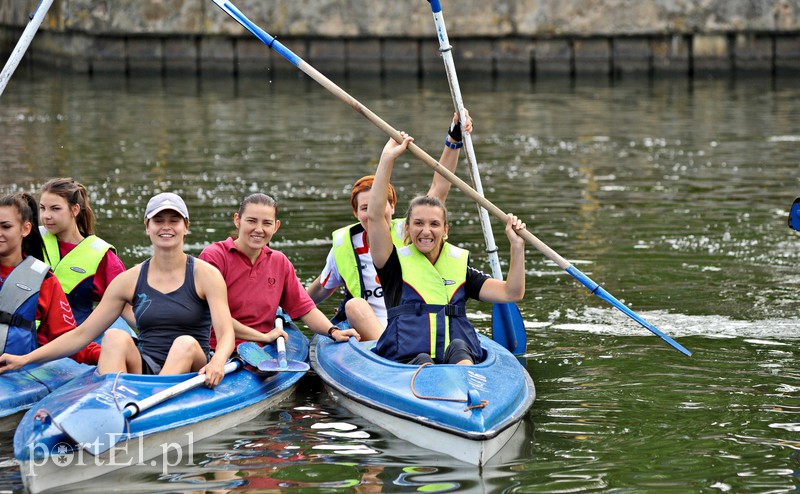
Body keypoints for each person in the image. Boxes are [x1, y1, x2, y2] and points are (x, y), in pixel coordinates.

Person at [0, 192, 235, 388]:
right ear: (147, 227)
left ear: (186, 228)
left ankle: (152, 403)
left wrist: (218, 363)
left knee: (184, 342)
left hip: (192, 361)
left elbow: (225, 335)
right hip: (147, 364)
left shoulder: (206, 275)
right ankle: (108, 405)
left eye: (174, 221)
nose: (166, 227)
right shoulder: (128, 280)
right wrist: (25, 359)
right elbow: (81, 335)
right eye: (158, 221)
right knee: (114, 336)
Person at [353, 132, 527, 365]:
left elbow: (511, 293)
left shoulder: (460, 269)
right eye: (418, 223)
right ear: (407, 229)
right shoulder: (392, 264)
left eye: (434, 224)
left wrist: (517, 247)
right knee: (422, 358)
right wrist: (387, 158)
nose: (426, 231)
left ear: (445, 230)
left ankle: (466, 391)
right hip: (409, 363)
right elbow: (375, 216)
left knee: (459, 347)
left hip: (457, 363)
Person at [306, 111, 473, 341]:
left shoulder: (411, 232)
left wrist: (454, 138)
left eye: (377, 205)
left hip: (414, 323)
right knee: (354, 306)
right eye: (364, 208)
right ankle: (388, 351)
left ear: (392, 206)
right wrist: (287, 308)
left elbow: (440, 186)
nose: (371, 213)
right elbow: (319, 290)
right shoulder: (343, 246)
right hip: (368, 333)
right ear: (356, 213)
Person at [200, 193, 360, 348]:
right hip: (216, 349)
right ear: (237, 220)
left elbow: (305, 308)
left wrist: (333, 331)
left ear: (276, 226)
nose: (259, 229)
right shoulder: (214, 257)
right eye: (251, 221)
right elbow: (216, 317)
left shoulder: (279, 262)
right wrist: (264, 337)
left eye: (267, 223)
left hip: (262, 349)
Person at [0, 192, 99, 364]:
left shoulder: (44, 281)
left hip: (14, 375)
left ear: (25, 229)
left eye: (6, 227)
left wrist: (111, 354)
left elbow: (67, 338)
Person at [38, 177, 135, 328]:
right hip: (30, 337)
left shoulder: (103, 256)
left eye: (55, 209)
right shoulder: (29, 240)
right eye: (42, 208)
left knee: (118, 326)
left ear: (74, 210)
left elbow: (126, 308)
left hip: (75, 340)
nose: (46, 215)